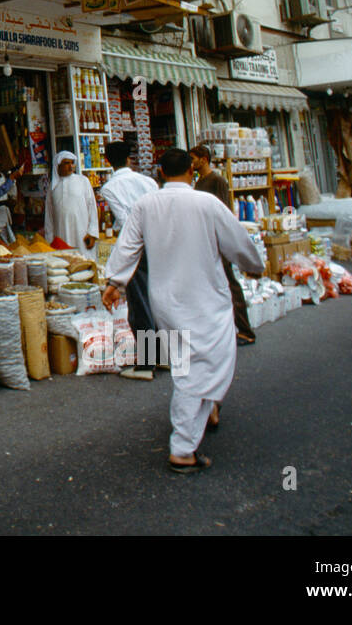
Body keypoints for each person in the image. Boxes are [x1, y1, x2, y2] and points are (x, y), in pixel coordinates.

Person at [101, 148, 264, 473]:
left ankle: (208, 408)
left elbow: (127, 245)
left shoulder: (147, 206)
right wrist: (254, 265)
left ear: (159, 172)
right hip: (205, 298)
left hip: (165, 300)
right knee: (208, 360)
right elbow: (238, 242)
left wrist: (114, 282)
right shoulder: (206, 203)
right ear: (192, 170)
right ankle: (183, 448)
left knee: (186, 361)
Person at [100, 142, 159, 380]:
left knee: (140, 303)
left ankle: (146, 365)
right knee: (162, 300)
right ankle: (167, 357)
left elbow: (125, 222)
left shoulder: (110, 187)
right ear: (129, 159)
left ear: (107, 161)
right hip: (159, 243)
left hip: (137, 247)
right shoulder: (148, 182)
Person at [189, 144, 256, 346]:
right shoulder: (199, 182)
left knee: (230, 284)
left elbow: (224, 212)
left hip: (217, 240)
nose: (191, 163)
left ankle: (245, 330)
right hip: (205, 241)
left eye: (193, 159)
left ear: (203, 159)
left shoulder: (216, 181)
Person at [44, 150, 98, 258]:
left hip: (82, 233)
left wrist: (92, 233)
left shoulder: (83, 181)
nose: (70, 166)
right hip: (61, 234)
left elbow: (92, 207)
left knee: (86, 261)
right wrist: (49, 239)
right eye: (66, 163)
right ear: (57, 166)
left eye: (72, 163)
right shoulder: (52, 187)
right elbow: (49, 215)